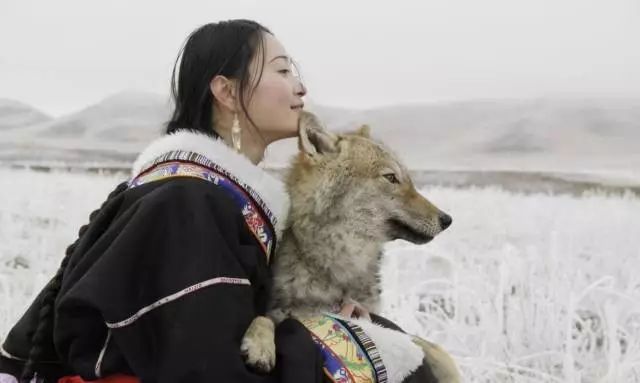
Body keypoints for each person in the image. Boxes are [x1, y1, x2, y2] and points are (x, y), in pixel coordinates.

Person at [0, 19, 446, 383]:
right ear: (227, 92)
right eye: (282, 70)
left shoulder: (217, 196)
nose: (301, 87)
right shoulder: (187, 203)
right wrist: (338, 343)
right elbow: (207, 368)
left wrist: (333, 323)